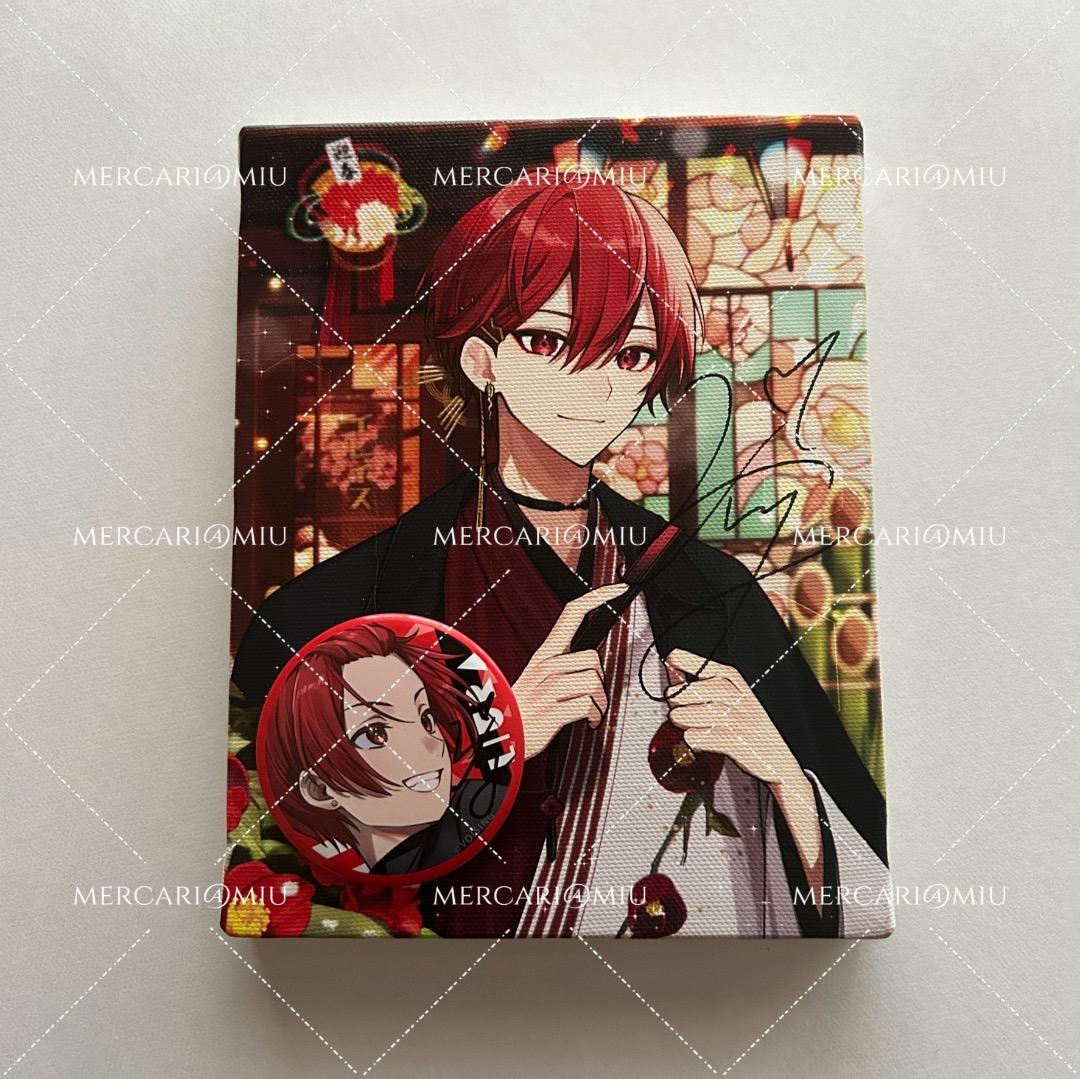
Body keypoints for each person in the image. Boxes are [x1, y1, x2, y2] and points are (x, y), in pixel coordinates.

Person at [234, 178, 891, 937]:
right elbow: (292, 842)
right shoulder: (355, 595)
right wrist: (501, 738)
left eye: (633, 353)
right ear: (482, 359)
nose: (598, 385)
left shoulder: (705, 588)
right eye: (548, 342)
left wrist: (782, 776)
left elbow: (870, 892)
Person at [258, 621, 510, 877]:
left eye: (426, 718)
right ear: (319, 789)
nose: (431, 743)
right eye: (375, 734)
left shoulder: (480, 805)